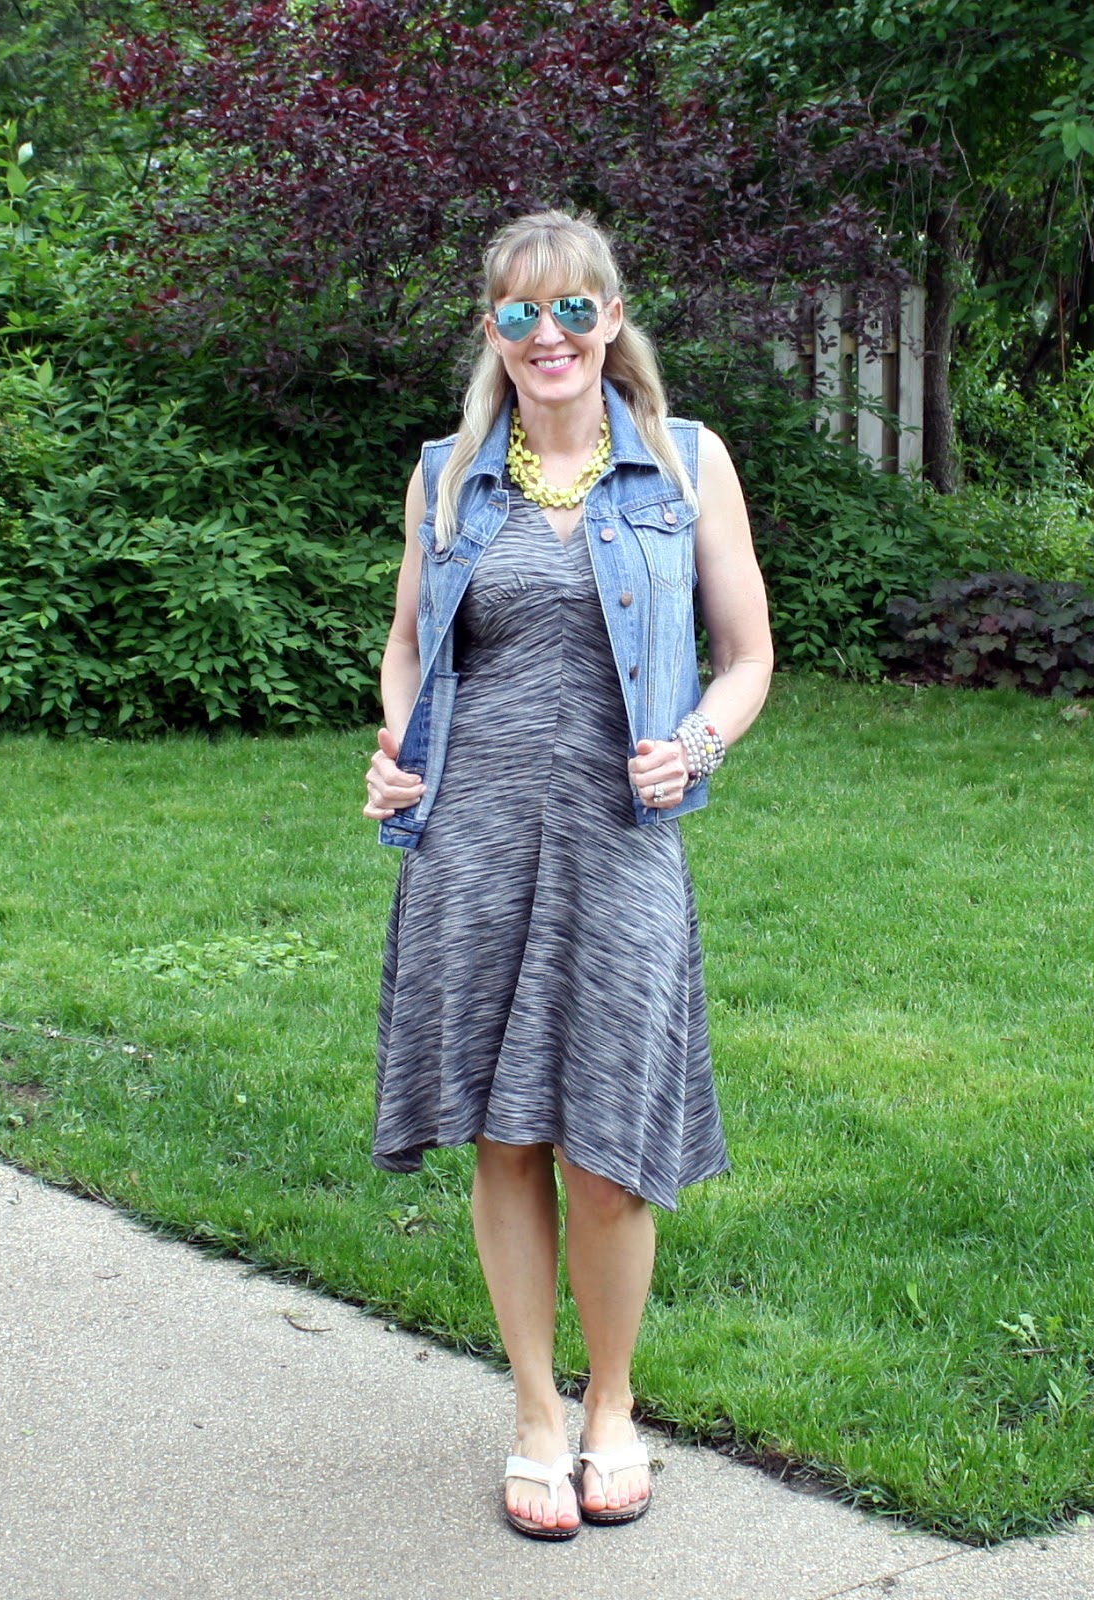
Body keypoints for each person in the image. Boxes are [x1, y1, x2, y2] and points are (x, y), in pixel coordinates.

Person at [363, 209, 772, 1540]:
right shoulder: (446, 474)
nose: (552, 338)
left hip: (621, 842)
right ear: (494, 330)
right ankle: (535, 1411)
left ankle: (612, 1404)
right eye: (523, 315)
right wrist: (398, 749)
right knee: (508, 1130)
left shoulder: (685, 463)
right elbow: (410, 645)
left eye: (575, 310)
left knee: (607, 1151)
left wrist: (702, 738)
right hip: (473, 841)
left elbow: (748, 651)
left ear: (612, 319)